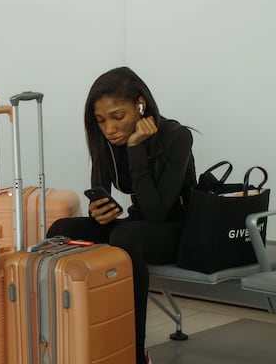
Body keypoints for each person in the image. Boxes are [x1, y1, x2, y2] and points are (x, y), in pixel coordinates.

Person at [46, 67, 196, 364]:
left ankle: (133, 354)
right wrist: (98, 211)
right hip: (138, 228)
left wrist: (135, 148)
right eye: (101, 121)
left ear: (140, 106)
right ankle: (71, 342)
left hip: (179, 232)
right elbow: (100, 190)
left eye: (118, 117)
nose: (110, 129)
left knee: (125, 236)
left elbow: (157, 212)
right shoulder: (107, 141)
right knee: (61, 229)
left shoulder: (178, 138)